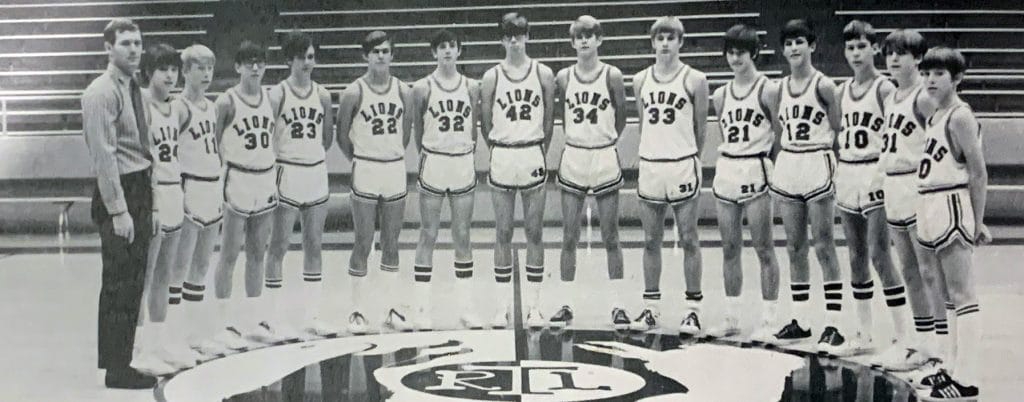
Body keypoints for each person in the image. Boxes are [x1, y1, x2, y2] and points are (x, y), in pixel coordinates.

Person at [82, 18, 156, 389]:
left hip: (139, 187)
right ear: (107, 48)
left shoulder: (133, 88)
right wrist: (119, 210)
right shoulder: (101, 92)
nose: (134, 49)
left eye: (138, 43)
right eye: (125, 43)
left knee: (133, 282)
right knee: (118, 283)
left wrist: (149, 203)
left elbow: (142, 148)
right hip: (120, 190)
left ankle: (122, 358)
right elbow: (104, 157)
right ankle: (115, 367)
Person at [766, 19, 849, 349]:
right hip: (790, 161)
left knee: (824, 245)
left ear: (812, 46)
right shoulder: (777, 89)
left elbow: (840, 130)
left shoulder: (825, 86)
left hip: (818, 159)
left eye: (799, 41)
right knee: (794, 246)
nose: (793, 48)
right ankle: (800, 320)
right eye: (788, 43)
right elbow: (777, 131)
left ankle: (834, 323)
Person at [873, 28, 951, 373]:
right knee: (908, 270)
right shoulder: (891, 96)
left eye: (901, 53)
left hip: (917, 187)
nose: (893, 59)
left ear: (917, 59)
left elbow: (953, 131)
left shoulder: (923, 97)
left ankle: (942, 347)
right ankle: (919, 343)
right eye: (889, 52)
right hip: (893, 186)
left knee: (929, 271)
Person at [832, 20, 911, 357]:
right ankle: (864, 334)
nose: (855, 53)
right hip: (848, 172)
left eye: (862, 47)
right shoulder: (840, 91)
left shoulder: (884, 89)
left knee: (881, 254)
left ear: (875, 49)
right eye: (850, 48)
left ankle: (903, 335)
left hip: (875, 173)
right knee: (855, 257)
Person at [913, 46, 988, 400]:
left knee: (962, 293)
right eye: (926, 73)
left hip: (952, 201)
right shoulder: (935, 113)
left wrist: (978, 220)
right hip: (930, 202)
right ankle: (950, 366)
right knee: (944, 295)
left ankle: (967, 379)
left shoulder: (959, 116)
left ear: (957, 78)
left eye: (938, 74)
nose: (929, 79)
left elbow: (978, 171)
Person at [629, 16, 708, 335]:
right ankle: (651, 309)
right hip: (650, 164)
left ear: (680, 42)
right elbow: (643, 122)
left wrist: (692, 158)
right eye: (659, 38)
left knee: (689, 238)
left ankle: (693, 310)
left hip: (682, 162)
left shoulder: (696, 79)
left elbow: (701, 128)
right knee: (650, 240)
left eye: (670, 38)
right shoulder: (639, 79)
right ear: (652, 42)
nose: (664, 43)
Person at [479, 12, 556, 329]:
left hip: (531, 152)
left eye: (519, 34)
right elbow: (485, 124)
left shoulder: (544, 74)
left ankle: (534, 307)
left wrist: (536, 147)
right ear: (501, 38)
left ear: (527, 36)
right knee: (503, 232)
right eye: (508, 34)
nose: (514, 40)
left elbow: (550, 121)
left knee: (535, 232)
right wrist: (501, 146)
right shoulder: (491, 77)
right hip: (503, 155)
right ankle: (501, 308)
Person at [212, 40, 291, 345]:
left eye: (260, 62)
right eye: (249, 63)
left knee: (258, 252)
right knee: (230, 252)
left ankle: (255, 318)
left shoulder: (271, 99)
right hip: (238, 178)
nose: (255, 68)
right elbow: (215, 141)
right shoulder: (226, 101)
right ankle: (224, 323)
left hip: (264, 178)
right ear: (238, 67)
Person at [707, 24, 783, 340]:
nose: (735, 58)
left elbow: (781, 133)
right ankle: (732, 316)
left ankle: (768, 319)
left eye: (741, 52)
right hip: (728, 167)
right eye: (731, 52)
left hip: (756, 167)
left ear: (754, 53)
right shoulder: (721, 94)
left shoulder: (768, 90)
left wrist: (768, 164)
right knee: (729, 248)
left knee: (764, 247)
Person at [552, 15, 628, 329]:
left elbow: (621, 117)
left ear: (599, 39)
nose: (584, 41)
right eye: (579, 36)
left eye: (590, 35)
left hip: (604, 154)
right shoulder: (564, 77)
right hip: (575, 155)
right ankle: (565, 304)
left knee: (611, 235)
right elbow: (561, 116)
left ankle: (618, 305)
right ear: (572, 42)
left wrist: (604, 142)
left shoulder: (612, 75)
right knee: (569, 235)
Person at [336, 31, 414, 333]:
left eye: (385, 51)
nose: (381, 56)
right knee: (364, 241)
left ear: (392, 55)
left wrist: (387, 153)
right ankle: (356, 310)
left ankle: (390, 308)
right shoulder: (353, 92)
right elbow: (342, 136)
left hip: (394, 167)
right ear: (365, 56)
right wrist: (361, 157)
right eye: (375, 51)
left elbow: (405, 135)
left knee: (391, 242)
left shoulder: (404, 92)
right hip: (366, 168)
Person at [133, 43, 202, 375]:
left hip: (175, 192)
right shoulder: (141, 105)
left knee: (166, 276)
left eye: (174, 69)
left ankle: (159, 345)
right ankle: (138, 348)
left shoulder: (178, 109)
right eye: (164, 69)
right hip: (152, 194)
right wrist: (151, 199)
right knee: (144, 277)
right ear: (149, 72)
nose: (171, 75)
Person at [264, 31, 339, 338]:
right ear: (288, 60)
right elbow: (266, 136)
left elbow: (328, 138)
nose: (307, 63)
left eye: (311, 57)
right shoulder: (277, 94)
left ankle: (312, 316)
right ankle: (273, 318)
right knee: (279, 245)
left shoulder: (322, 95)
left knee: (314, 245)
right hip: (288, 171)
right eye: (301, 57)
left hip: (315, 172)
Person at [171, 44, 244, 357]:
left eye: (209, 68)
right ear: (184, 71)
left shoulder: (213, 107)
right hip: (188, 187)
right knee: (178, 266)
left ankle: (194, 333)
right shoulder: (177, 107)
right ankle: (172, 336)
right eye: (198, 67)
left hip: (212, 188)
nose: (205, 74)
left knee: (201, 265)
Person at [411, 29, 483, 330]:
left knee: (463, 235)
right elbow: (417, 130)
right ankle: (421, 310)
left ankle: (465, 309)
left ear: (460, 50)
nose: (447, 51)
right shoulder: (422, 87)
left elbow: (475, 130)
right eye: (442, 47)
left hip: (462, 161)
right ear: (434, 52)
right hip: (435, 160)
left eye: (452, 46)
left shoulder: (472, 86)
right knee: (428, 233)